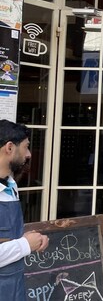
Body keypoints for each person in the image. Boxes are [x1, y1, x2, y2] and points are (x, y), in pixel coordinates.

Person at [0, 120, 49, 300]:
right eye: (26, 147)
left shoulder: (10, 186)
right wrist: (26, 244)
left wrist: (29, 237)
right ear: (10, 148)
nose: (29, 154)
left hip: (14, 289)